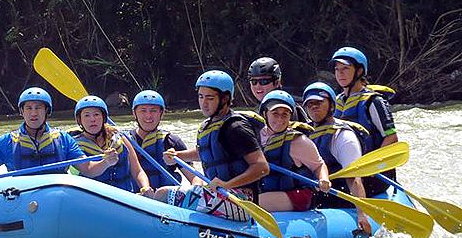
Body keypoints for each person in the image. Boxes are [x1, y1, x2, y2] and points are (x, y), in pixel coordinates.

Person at [154, 70, 269, 221]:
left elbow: (262, 167)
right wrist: (178, 156)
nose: (204, 103)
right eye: (201, 97)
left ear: (225, 98)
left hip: (241, 199)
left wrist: (227, 185)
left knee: (162, 195)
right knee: (164, 194)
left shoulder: (236, 127)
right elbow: (207, 152)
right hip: (218, 193)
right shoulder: (208, 125)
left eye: (210, 98)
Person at [0, 87, 118, 183]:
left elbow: (89, 170)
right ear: (22, 112)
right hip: (22, 196)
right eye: (29, 108)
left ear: (47, 111)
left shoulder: (63, 139)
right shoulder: (9, 141)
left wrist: (106, 162)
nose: (33, 113)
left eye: (38, 108)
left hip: (56, 197)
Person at [302, 82, 371, 233]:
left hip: (340, 198)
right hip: (314, 195)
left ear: (331, 106)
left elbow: (354, 178)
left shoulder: (343, 136)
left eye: (319, 103)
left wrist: (362, 213)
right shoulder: (304, 133)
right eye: (310, 104)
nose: (314, 107)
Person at [330, 46, 398, 195]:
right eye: (337, 69)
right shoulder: (336, 101)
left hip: (371, 174)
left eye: (345, 69)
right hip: (344, 169)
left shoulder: (373, 102)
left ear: (359, 71)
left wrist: (371, 165)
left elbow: (392, 137)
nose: (340, 73)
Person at [257, 90, 331, 212]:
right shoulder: (257, 135)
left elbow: (319, 165)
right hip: (267, 190)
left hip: (298, 195)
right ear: (265, 114)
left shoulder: (299, 141)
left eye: (285, 114)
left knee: (253, 203)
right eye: (275, 113)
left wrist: (324, 179)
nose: (280, 119)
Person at [70, 95, 154, 197]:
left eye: (96, 114)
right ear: (80, 120)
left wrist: (145, 187)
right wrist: (105, 162)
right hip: (94, 199)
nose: (92, 119)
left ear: (104, 118)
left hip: (126, 197)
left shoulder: (121, 138)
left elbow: (137, 171)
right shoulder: (74, 145)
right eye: (86, 115)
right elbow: (89, 170)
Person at [128, 90, 196, 189]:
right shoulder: (125, 141)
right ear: (134, 113)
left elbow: (194, 178)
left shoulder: (171, 142)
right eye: (143, 110)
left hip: (164, 199)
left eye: (153, 110)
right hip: (133, 198)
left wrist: (195, 191)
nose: (148, 116)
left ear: (162, 113)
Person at [248, 57, 308, 121]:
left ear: (277, 82)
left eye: (264, 81)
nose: (258, 86)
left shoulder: (288, 107)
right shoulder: (261, 108)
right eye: (253, 82)